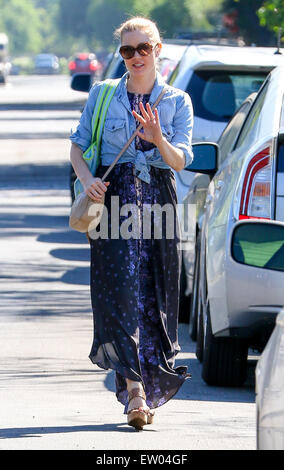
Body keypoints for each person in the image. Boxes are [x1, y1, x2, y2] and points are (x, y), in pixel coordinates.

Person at [70, 17, 193, 430]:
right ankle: (135, 393)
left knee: (154, 295)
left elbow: (180, 162)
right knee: (117, 293)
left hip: (159, 199)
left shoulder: (177, 101)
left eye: (144, 48)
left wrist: (158, 137)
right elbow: (77, 146)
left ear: (158, 50)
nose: (136, 56)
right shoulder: (104, 95)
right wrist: (88, 181)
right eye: (128, 50)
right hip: (114, 200)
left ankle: (149, 386)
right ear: (121, 54)